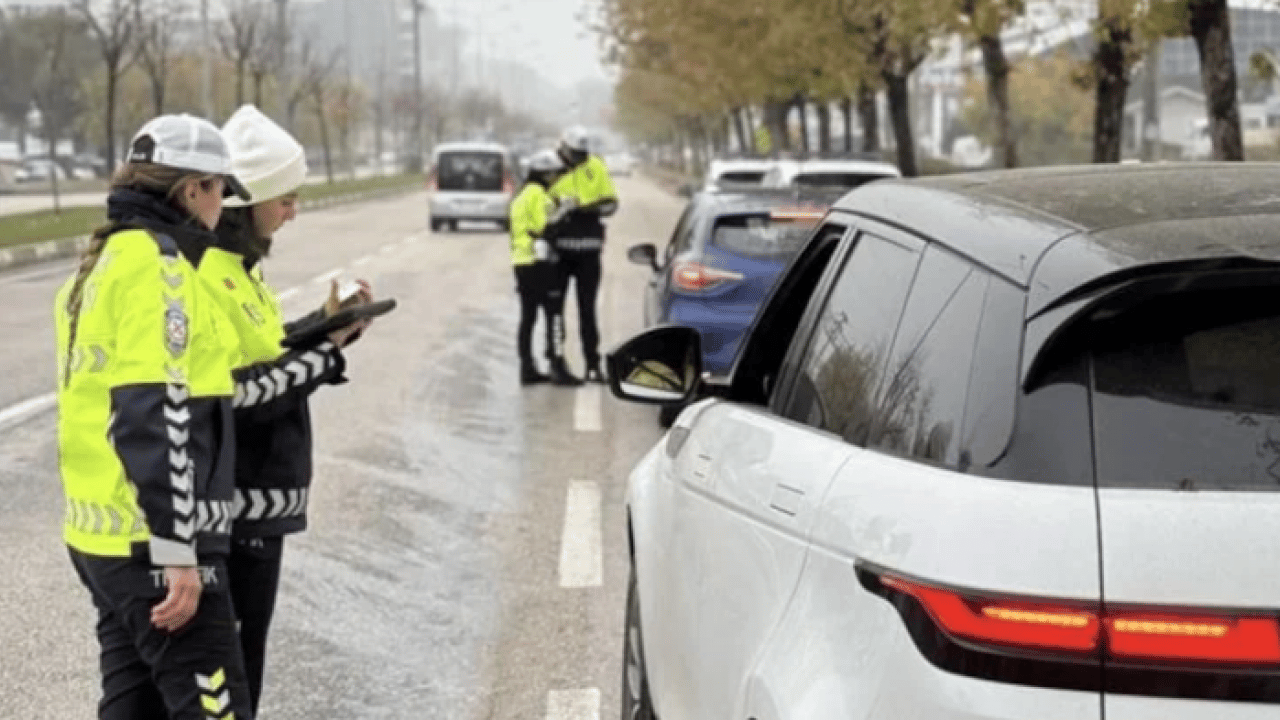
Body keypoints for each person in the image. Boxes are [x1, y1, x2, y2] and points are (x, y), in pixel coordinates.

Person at [55, 114, 257, 719]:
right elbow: (153, 409)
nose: (223, 206)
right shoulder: (158, 268)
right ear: (192, 190)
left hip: (102, 537)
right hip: (154, 544)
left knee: (132, 707)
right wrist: (178, 551)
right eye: (220, 190)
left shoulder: (101, 263)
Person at [204, 104, 371, 713]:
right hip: (236, 510)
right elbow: (239, 394)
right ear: (247, 202)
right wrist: (325, 353)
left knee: (246, 666)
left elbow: (268, 353)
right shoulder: (209, 273)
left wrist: (325, 323)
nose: (293, 211)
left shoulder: (241, 270)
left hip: (262, 507)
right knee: (231, 682)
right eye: (285, 199)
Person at [547, 125, 619, 383]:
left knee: (588, 310)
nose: (579, 159)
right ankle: (556, 364)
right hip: (557, 254)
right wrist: (559, 211)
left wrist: (586, 208)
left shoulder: (595, 165)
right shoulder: (549, 169)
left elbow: (611, 203)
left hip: (589, 252)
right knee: (555, 311)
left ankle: (592, 365)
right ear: (563, 148)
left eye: (582, 154)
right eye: (574, 154)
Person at [510, 149, 582, 386]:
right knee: (554, 315)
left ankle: (527, 368)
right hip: (540, 264)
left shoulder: (521, 195)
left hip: (521, 263)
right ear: (544, 174)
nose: (556, 178)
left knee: (528, 318)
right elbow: (546, 227)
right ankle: (557, 366)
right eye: (553, 174)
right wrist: (565, 210)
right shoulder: (539, 195)